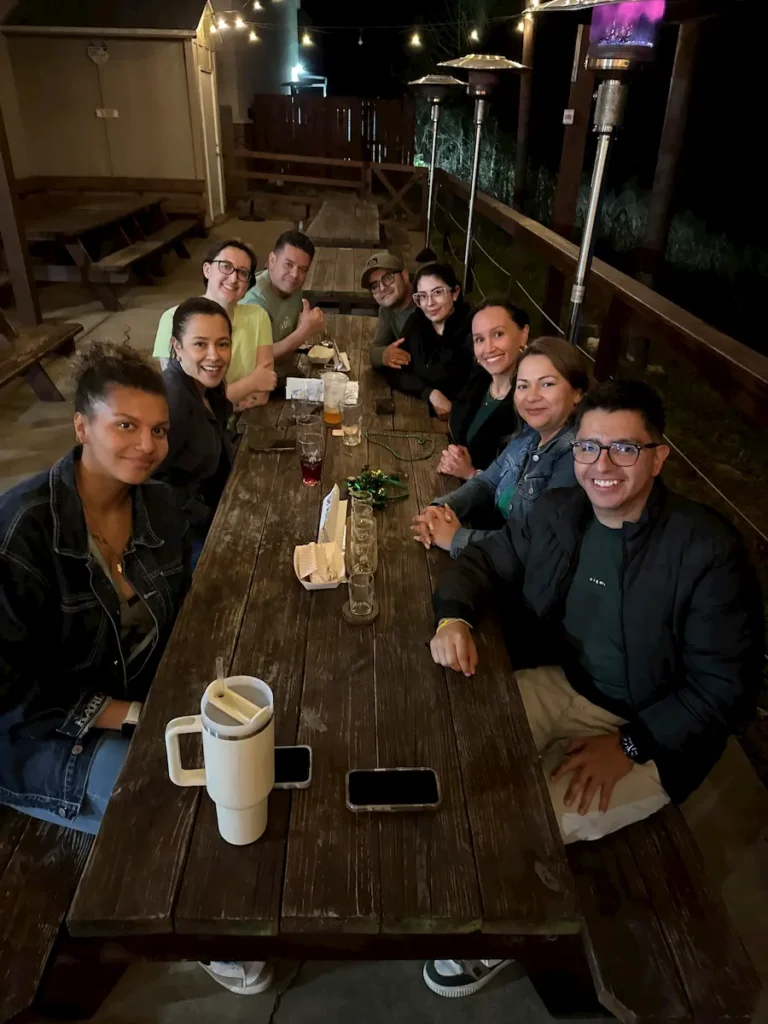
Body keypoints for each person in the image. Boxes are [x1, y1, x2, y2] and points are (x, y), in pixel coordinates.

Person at [423, 379, 763, 998]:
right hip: (569, 684)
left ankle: (502, 939)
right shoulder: (561, 512)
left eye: (624, 450)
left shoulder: (707, 551)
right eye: (588, 448)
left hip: (657, 732)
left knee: (529, 825)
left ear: (658, 457)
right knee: (456, 749)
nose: (601, 466)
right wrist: (453, 617)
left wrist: (631, 746)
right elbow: (481, 562)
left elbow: (725, 692)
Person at [0, 342, 274, 998]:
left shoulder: (156, 506)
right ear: (81, 426)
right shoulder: (23, 532)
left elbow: (195, 588)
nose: (146, 445)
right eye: (125, 425)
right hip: (38, 731)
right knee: (180, 801)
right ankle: (194, 927)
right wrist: (134, 717)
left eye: (157, 430)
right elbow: (8, 693)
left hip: (138, 694)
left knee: (249, 758)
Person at [412, 337, 588, 559]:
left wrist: (456, 538)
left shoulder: (578, 459)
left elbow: (533, 545)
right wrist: (440, 509)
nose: (532, 397)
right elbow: (487, 483)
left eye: (547, 384)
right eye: (523, 386)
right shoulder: (529, 434)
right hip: (492, 554)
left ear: (577, 393)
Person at [155, 298, 235, 566]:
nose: (214, 355)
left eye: (222, 344)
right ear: (177, 346)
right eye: (200, 344)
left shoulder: (209, 387)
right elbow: (150, 483)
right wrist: (206, 518)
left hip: (215, 506)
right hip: (185, 536)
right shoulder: (172, 402)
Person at [152, 239, 276, 410]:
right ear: (207, 270)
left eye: (242, 273)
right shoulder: (173, 318)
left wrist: (221, 401)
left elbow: (264, 387)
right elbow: (182, 399)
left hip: (248, 418)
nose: (233, 278)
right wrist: (250, 384)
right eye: (225, 266)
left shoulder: (258, 316)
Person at [438, 300, 530, 480]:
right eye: (479, 339)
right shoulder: (478, 380)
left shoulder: (530, 403)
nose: (488, 348)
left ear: (523, 335)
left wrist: (471, 474)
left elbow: (523, 487)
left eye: (498, 334)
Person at [377, 262, 473, 419]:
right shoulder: (417, 322)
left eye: (437, 293)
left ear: (455, 293)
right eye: (422, 296)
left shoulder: (472, 331)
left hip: (456, 427)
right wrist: (429, 392)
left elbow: (476, 396)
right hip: (419, 414)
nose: (429, 303)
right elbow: (393, 372)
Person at [241, 229, 325, 361]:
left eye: (303, 269)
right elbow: (255, 358)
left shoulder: (292, 286)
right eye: (288, 264)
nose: (295, 275)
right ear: (272, 260)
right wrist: (303, 331)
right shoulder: (254, 302)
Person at [361, 252, 416, 370]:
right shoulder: (387, 309)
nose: (382, 288)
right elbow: (374, 351)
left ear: (405, 276)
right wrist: (384, 355)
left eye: (387, 278)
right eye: (375, 286)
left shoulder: (427, 302)